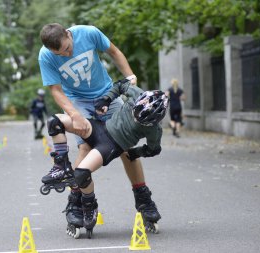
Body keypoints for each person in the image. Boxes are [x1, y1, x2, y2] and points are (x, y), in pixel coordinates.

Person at [38, 23, 160, 237]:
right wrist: (74, 114)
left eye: (68, 48)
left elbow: (114, 51)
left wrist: (130, 77)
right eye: (61, 53)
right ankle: (77, 202)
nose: (67, 54)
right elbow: (56, 91)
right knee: (85, 148)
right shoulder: (46, 56)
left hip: (107, 93)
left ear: (69, 34)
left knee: (126, 147)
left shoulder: (89, 33)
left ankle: (143, 198)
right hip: (77, 101)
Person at [41, 79, 168, 238]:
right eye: (135, 114)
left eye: (141, 121)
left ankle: (89, 205)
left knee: (81, 173)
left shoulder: (155, 131)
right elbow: (121, 84)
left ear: (153, 122)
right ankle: (61, 167)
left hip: (111, 146)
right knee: (54, 121)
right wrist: (106, 99)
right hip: (98, 128)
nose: (136, 119)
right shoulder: (138, 94)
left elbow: (154, 149)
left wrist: (136, 152)